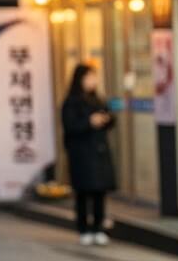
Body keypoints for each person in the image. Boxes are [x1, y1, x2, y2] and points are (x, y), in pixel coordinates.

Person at [63, 63, 116, 247]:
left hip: (99, 152)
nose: (93, 81)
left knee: (99, 192)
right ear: (80, 79)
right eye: (89, 77)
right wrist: (89, 121)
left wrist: (106, 119)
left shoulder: (98, 99)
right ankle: (84, 228)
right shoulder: (71, 102)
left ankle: (98, 228)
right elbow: (70, 126)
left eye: (94, 77)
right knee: (83, 193)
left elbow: (111, 118)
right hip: (81, 154)